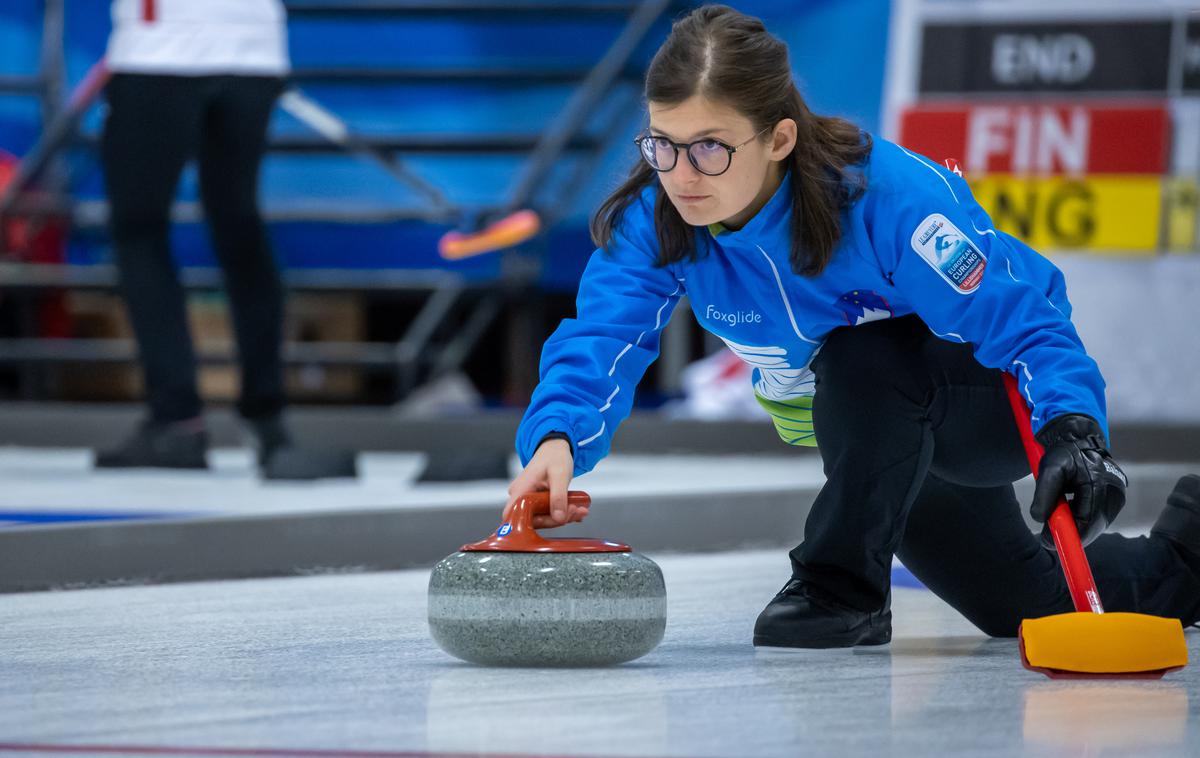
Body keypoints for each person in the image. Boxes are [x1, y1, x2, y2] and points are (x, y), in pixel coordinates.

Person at [503, 4, 1200, 649]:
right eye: (663, 144)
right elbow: (601, 339)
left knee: (863, 355)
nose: (681, 174)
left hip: (990, 400)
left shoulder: (887, 200)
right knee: (1026, 606)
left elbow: (1022, 321)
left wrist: (1076, 429)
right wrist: (558, 438)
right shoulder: (657, 220)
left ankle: (841, 592)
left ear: (778, 138)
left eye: (710, 148)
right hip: (884, 438)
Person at [95, 0, 354, 479]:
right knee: (238, 225)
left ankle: (176, 421)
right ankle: (267, 419)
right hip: (253, 48)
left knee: (140, 231)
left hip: (161, 46)